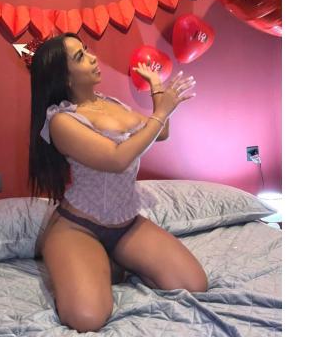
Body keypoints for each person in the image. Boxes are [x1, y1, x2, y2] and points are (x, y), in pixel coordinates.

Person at [28, 32, 208, 333]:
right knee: (87, 319)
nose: (93, 57)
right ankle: (83, 261)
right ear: (65, 77)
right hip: (78, 227)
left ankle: (114, 261)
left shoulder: (113, 104)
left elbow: (160, 132)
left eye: (87, 50)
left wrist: (156, 88)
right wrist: (162, 112)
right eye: (80, 57)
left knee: (194, 284)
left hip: (126, 224)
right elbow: (117, 159)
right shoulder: (61, 120)